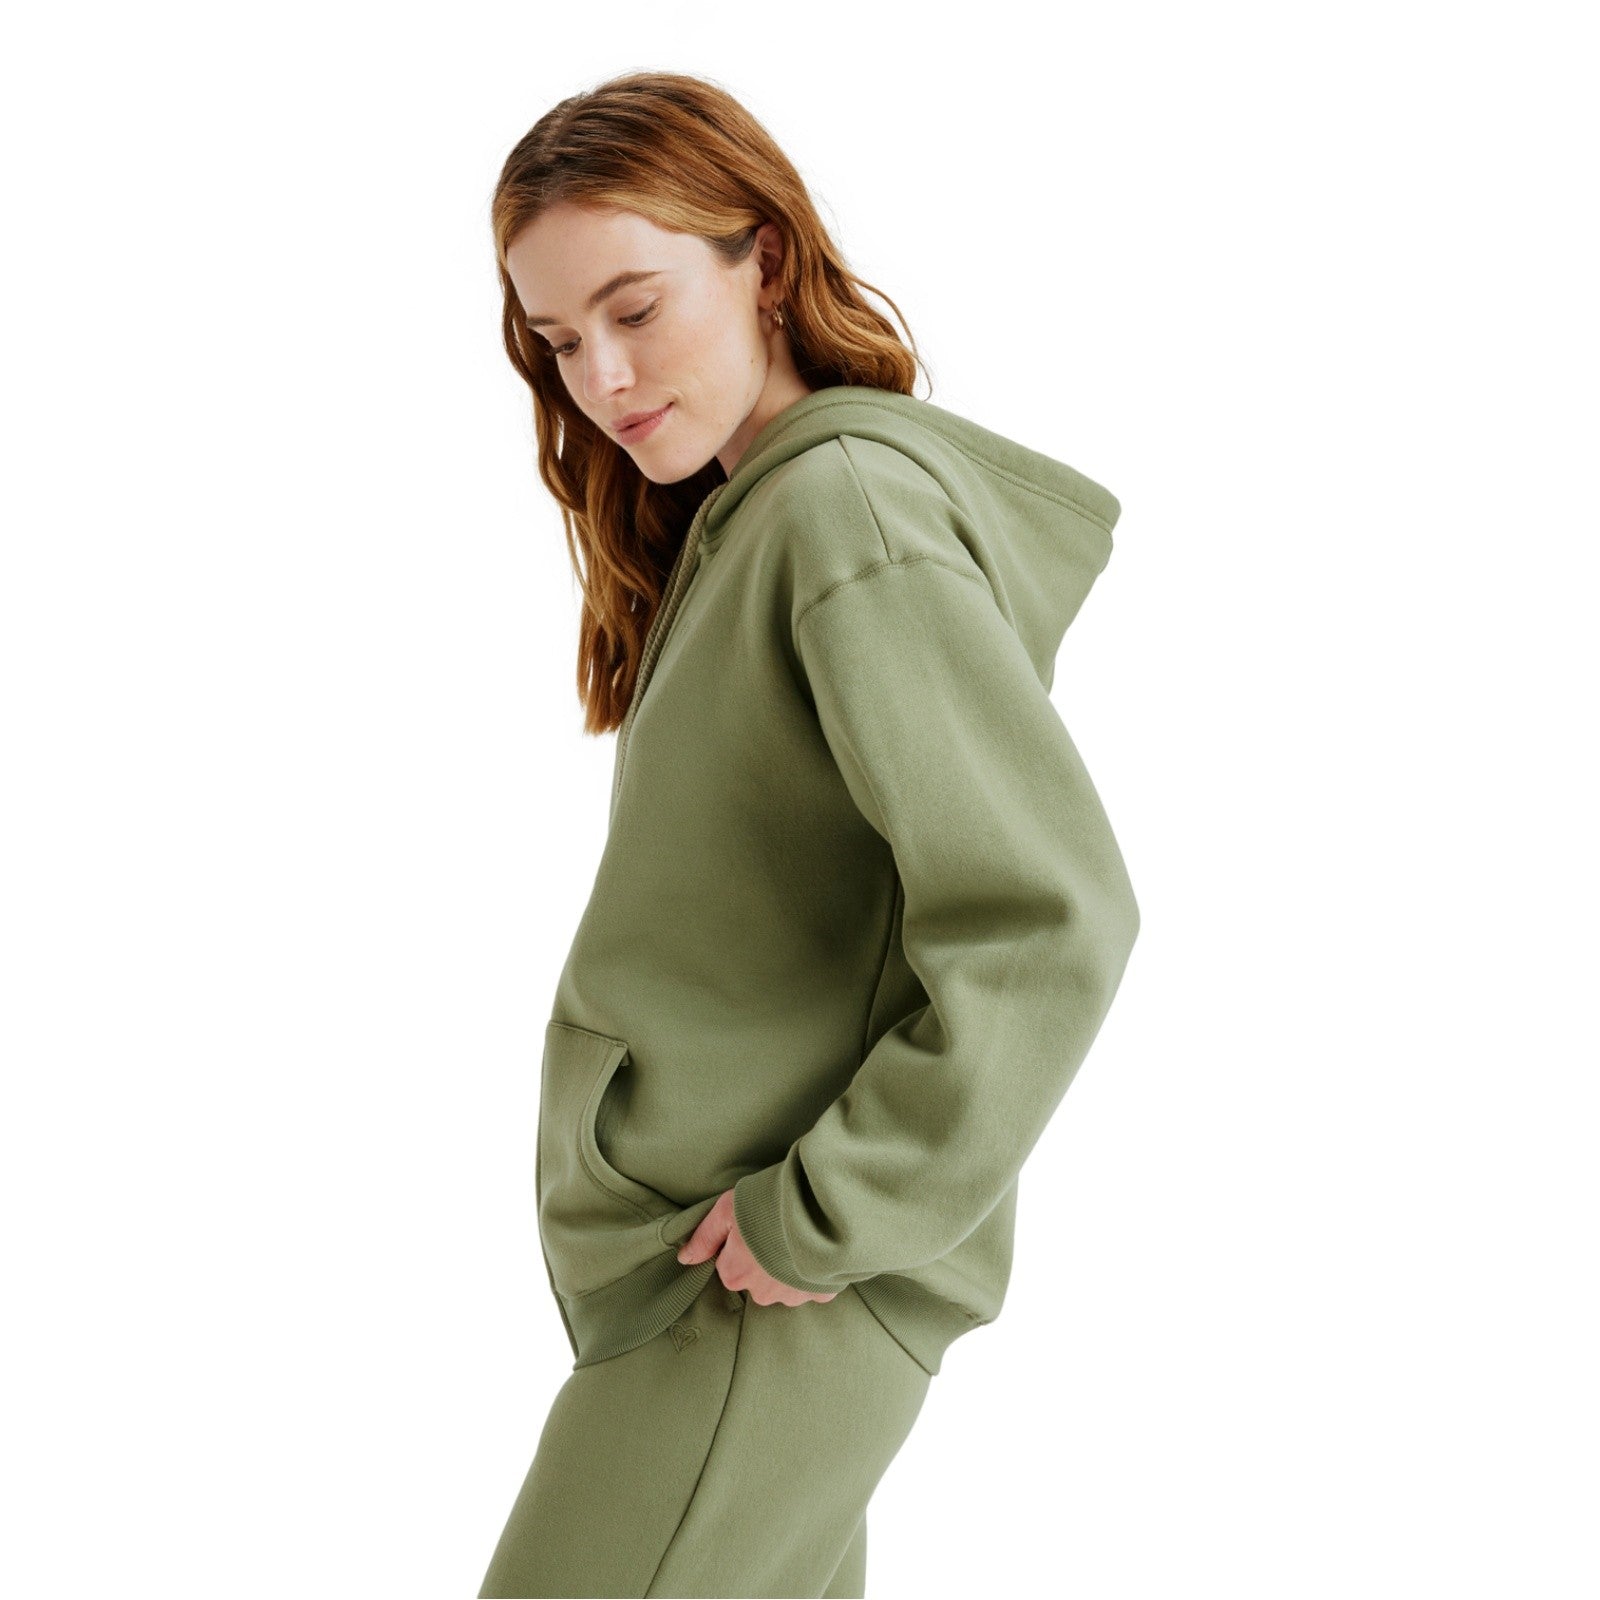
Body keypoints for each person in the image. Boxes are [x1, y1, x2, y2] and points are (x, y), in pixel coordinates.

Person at [476, 70, 1140, 1599]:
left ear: (763, 260)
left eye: (636, 307)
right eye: (560, 341)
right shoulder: (756, 519)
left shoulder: (842, 510)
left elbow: (1050, 914)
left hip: (761, 1285)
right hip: (724, 1273)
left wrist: (831, 1209)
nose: (602, 375)